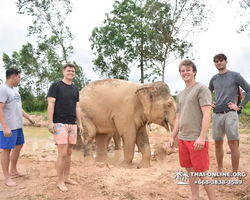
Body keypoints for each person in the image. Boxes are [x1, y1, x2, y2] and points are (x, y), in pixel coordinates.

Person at [169, 60, 215, 200]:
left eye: (188, 69)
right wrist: (173, 136)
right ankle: (195, 197)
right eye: (183, 70)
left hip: (197, 139)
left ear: (194, 71)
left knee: (202, 172)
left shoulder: (201, 89)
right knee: (190, 170)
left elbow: (207, 114)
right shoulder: (181, 94)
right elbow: (178, 118)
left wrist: (202, 137)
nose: (185, 72)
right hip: (183, 138)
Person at [209, 53, 250, 178]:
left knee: (233, 144)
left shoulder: (235, 75)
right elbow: (207, 92)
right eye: (216, 61)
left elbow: (248, 90)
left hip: (231, 114)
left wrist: (240, 106)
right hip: (216, 114)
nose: (218, 63)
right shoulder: (214, 79)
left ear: (226, 62)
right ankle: (220, 169)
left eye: (220, 60)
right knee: (217, 144)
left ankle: (234, 174)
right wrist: (210, 102)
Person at [47, 63, 83, 192]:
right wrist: (50, 122)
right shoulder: (56, 86)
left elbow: (77, 107)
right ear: (63, 72)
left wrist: (80, 123)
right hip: (60, 123)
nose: (71, 73)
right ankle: (60, 181)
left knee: (69, 152)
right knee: (62, 153)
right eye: (68, 71)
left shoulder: (75, 89)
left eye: (73, 71)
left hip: (72, 124)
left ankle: (67, 177)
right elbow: (51, 104)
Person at [0, 68, 35, 187]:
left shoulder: (15, 91)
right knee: (6, 150)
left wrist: (28, 117)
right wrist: (5, 126)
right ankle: (6, 177)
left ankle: (13, 170)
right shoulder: (3, 89)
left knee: (19, 146)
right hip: (9, 126)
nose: (20, 79)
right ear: (13, 76)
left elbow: (18, 108)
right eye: (19, 77)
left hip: (18, 125)